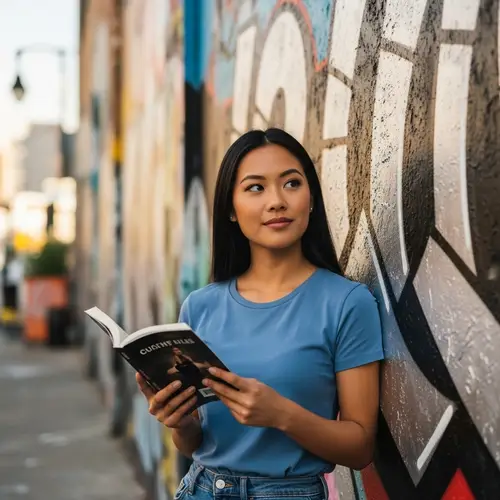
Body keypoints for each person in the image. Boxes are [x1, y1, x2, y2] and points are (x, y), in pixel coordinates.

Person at [137, 128, 384, 500]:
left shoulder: (348, 302)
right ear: (231, 211)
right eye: (255, 188)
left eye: (291, 183)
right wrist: (181, 423)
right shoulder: (200, 306)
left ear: (311, 199)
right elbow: (193, 444)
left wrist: (280, 414)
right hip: (201, 488)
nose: (276, 201)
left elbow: (361, 447)